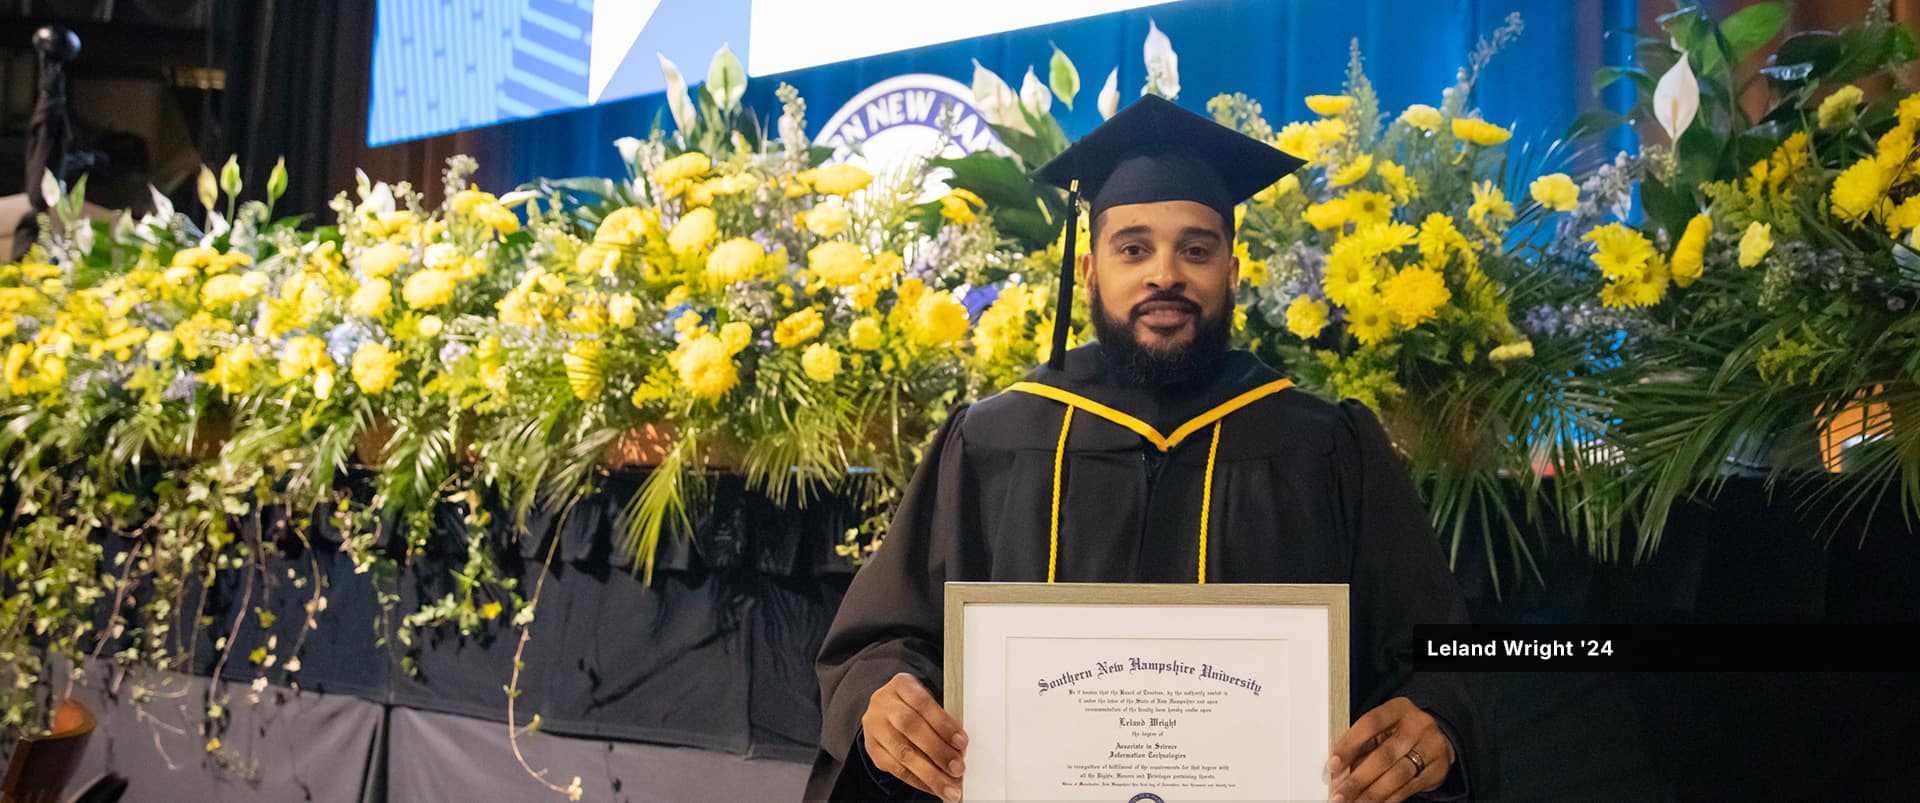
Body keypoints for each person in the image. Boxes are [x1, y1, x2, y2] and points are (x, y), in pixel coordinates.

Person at [806, 95, 1494, 802]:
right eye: (1133, 247)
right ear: (1092, 270)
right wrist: (882, 701)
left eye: (1195, 249)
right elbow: (883, 638)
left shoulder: (1322, 444)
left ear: (1232, 269)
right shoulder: (994, 441)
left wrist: (1435, 721)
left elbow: (1436, 651)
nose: (1165, 273)